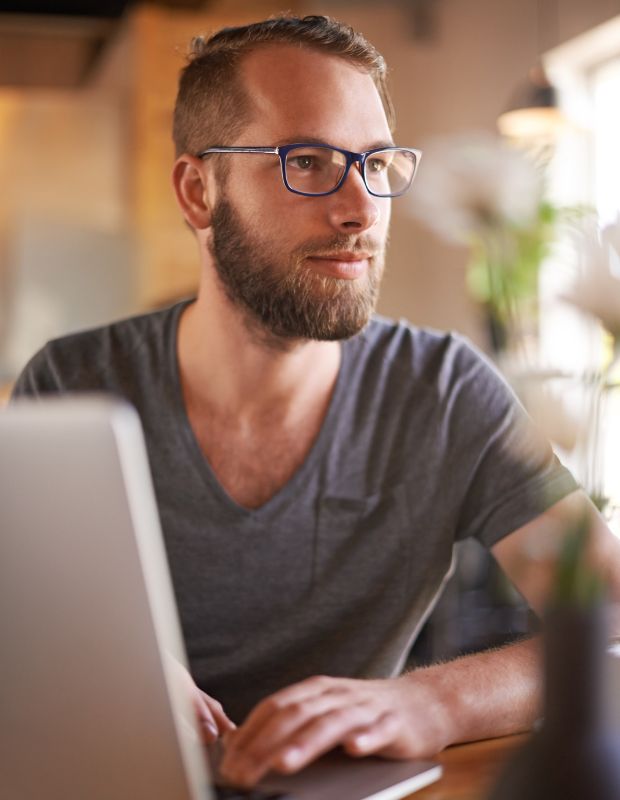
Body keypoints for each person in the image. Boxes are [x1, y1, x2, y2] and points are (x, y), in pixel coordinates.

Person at [11, 13, 620, 790]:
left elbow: (608, 620)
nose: (360, 209)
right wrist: (108, 667)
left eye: (375, 165)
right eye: (307, 161)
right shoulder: (71, 386)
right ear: (199, 191)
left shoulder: (442, 391)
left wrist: (428, 703)